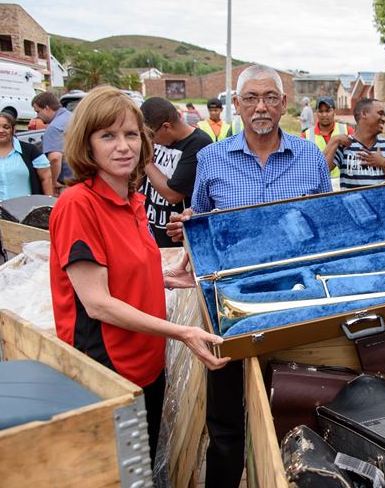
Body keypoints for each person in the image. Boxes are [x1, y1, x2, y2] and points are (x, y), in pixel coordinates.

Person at [167, 64, 331, 488]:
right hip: (228, 303)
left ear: (284, 104)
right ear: (236, 105)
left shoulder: (310, 155)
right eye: (251, 98)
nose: (261, 107)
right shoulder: (211, 158)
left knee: (289, 400)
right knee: (225, 419)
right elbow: (200, 218)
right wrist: (190, 224)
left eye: (270, 97)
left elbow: (326, 225)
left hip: (297, 300)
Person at [47, 86, 228, 467]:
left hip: (147, 362)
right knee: (120, 471)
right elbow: (96, 303)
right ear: (87, 143)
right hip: (109, 372)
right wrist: (182, 332)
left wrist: (164, 276)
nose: (123, 146)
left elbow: (120, 271)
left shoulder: (132, 200)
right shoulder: (78, 205)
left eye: (131, 134)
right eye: (107, 136)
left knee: (140, 465)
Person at [140, 97, 212, 247]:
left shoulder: (199, 144)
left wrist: (146, 160)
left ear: (167, 126)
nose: (150, 140)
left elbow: (173, 195)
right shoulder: (159, 142)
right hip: (150, 233)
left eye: (151, 135)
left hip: (178, 241)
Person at [325, 97, 385, 189]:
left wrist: (384, 163)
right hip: (352, 203)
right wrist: (333, 141)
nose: (384, 119)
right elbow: (322, 172)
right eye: (380, 113)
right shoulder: (344, 144)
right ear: (364, 114)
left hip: (381, 203)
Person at [0, 111, 53, 199]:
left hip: (24, 210)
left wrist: (48, 205)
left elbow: (46, 177)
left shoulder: (30, 151)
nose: (1, 131)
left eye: (6, 127)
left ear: (13, 129)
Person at [302, 96, 354, 178]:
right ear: (316, 113)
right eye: (321, 111)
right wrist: (334, 140)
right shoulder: (306, 136)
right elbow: (305, 165)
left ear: (334, 111)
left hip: (342, 185)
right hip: (319, 186)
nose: (324, 115)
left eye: (328, 111)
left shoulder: (348, 131)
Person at [32, 92, 73, 192]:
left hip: (69, 184)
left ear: (47, 108)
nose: (37, 116)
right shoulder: (73, 117)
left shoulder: (54, 128)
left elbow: (55, 158)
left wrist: (53, 182)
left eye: (38, 111)